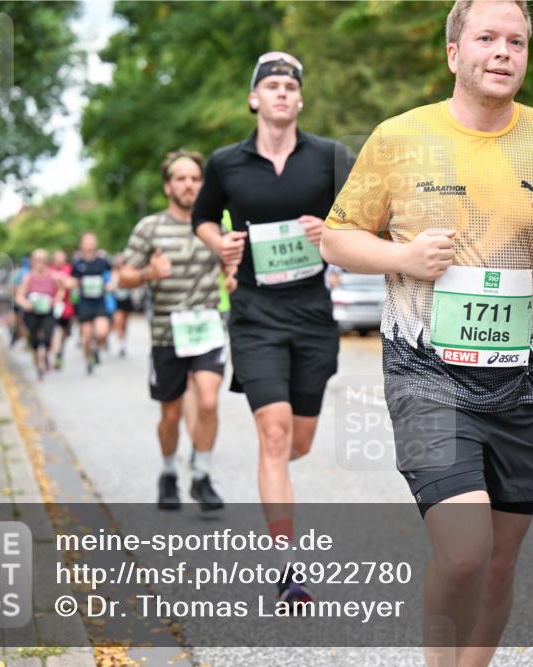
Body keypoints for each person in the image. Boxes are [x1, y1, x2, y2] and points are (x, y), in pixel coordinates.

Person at [320, 1, 533, 662]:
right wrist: (401, 257)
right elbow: (337, 239)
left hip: (523, 378)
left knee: (501, 561)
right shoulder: (399, 138)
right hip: (426, 371)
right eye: (486, 37)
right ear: (455, 53)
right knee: (464, 549)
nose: (503, 51)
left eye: (516, 40)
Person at [193, 50, 354, 606]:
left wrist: (329, 232)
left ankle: (271, 474)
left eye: (291, 85)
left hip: (312, 313)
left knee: (298, 442)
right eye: (272, 85)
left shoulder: (332, 158)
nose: (282, 93)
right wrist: (221, 244)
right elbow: (203, 218)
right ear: (254, 99)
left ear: (300, 99)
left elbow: (364, 222)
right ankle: (287, 567)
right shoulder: (225, 163)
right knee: (276, 432)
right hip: (256, 313)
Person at [120, 150, 227, 511]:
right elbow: (122, 277)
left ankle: (201, 475)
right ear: (168, 186)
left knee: (209, 401)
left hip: (207, 328)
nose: (189, 185)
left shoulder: (214, 227)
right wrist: (149, 273)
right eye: (181, 179)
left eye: (195, 179)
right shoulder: (149, 228)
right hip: (167, 334)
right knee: (170, 413)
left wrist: (234, 276)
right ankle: (168, 472)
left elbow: (233, 268)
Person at [15, 249, 64, 380]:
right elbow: (19, 296)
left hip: (48, 312)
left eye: (43, 260)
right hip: (32, 313)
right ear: (32, 261)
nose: (40, 264)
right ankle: (38, 368)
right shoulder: (28, 278)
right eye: (37, 260)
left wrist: (56, 300)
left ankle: (46, 356)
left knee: (48, 338)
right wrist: (26, 304)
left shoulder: (54, 276)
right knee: (34, 342)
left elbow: (61, 291)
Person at [70, 232, 113, 374]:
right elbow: (72, 280)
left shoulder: (103, 261)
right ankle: (88, 359)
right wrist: (71, 284)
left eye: (91, 241)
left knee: (102, 332)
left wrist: (111, 284)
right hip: (84, 303)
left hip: (99, 301)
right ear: (82, 244)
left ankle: (96, 349)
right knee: (87, 336)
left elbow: (113, 274)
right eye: (86, 241)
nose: (89, 244)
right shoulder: (77, 263)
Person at [50, 249, 75, 370]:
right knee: (56, 332)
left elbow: (72, 283)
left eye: (61, 257)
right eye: (57, 257)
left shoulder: (69, 269)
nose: (59, 260)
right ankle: (56, 354)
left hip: (66, 307)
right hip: (52, 306)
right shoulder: (49, 269)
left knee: (64, 333)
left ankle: (60, 352)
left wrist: (60, 279)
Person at [110, 254, 134, 358]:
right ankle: (120, 344)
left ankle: (123, 343)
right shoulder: (113, 273)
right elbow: (112, 286)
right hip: (116, 300)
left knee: (124, 323)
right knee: (118, 322)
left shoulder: (128, 271)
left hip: (126, 300)